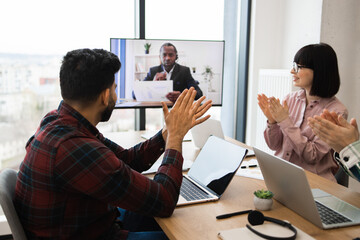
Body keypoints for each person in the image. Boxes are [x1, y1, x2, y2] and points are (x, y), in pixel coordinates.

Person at [13, 48, 212, 240]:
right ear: (105, 96)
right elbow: (165, 201)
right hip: (98, 234)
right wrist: (176, 138)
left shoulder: (59, 122)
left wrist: (167, 133)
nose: (115, 95)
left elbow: (128, 159)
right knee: (192, 233)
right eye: (115, 89)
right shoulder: (76, 147)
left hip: (89, 223)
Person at [257, 43, 348, 182]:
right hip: (281, 176)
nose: (292, 72)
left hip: (313, 182)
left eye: (298, 67)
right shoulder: (290, 98)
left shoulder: (335, 111)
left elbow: (312, 156)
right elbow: (274, 146)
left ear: (319, 70)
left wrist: (284, 121)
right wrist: (273, 122)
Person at [308, 109, 360, 182]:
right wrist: (347, 149)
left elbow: (311, 156)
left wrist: (349, 150)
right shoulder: (292, 99)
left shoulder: (337, 109)